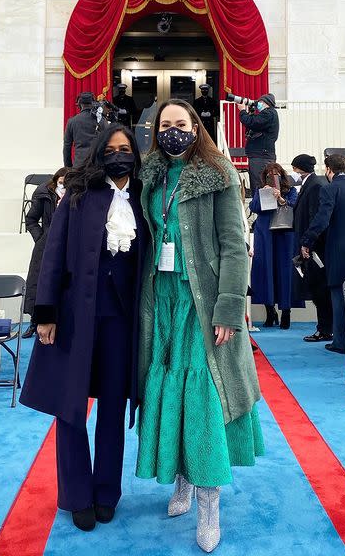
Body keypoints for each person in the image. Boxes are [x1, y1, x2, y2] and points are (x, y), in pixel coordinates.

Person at [136, 99, 263, 554]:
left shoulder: (220, 173)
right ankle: (183, 481)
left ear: (196, 127)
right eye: (164, 124)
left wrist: (230, 308)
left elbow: (234, 244)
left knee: (204, 398)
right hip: (162, 302)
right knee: (172, 394)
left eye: (181, 124)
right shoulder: (148, 176)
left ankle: (209, 502)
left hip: (203, 304)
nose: (172, 131)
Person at [20, 125, 147, 531]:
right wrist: (45, 312)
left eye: (125, 149)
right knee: (69, 406)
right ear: (98, 154)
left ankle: (107, 490)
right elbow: (52, 255)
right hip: (75, 317)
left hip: (123, 321)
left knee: (114, 405)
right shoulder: (77, 196)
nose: (118, 155)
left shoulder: (145, 198)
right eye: (110, 149)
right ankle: (76, 495)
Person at [301, 154, 345, 354]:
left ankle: (340, 342)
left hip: (341, 250)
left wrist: (307, 241)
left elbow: (322, 219)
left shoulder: (330, 188)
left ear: (328, 169)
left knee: (339, 294)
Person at [249, 162, 299, 329]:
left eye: (276, 174)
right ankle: (270, 311)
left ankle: (286, 312)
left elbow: (294, 205)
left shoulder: (291, 190)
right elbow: (254, 207)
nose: (273, 177)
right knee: (265, 271)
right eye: (269, 174)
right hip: (265, 235)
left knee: (285, 272)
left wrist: (280, 198)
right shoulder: (260, 190)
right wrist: (266, 194)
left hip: (284, 234)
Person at [22, 168, 69, 339]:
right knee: (38, 282)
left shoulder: (75, 195)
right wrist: (40, 237)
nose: (62, 185)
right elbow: (31, 219)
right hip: (44, 245)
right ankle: (34, 322)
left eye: (66, 183)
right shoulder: (44, 193)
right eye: (61, 182)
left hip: (67, 244)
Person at [291, 154, 332, 343]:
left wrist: (308, 243)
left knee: (319, 290)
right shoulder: (312, 183)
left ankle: (324, 329)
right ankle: (324, 328)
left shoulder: (315, 185)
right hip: (310, 244)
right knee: (317, 289)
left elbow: (315, 217)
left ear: (299, 168)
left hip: (314, 248)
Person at [238, 94, 280, 192]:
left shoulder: (268, 113)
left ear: (266, 103)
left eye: (260, 102)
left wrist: (243, 111)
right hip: (261, 154)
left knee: (260, 185)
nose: (258, 104)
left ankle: (260, 206)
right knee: (260, 184)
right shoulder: (268, 114)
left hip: (261, 156)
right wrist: (250, 113)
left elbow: (252, 123)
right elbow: (253, 125)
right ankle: (260, 205)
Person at [63, 92, 108, 168]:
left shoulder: (72, 121)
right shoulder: (101, 120)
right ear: (93, 103)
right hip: (97, 166)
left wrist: (68, 168)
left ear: (79, 104)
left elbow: (67, 148)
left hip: (79, 165)